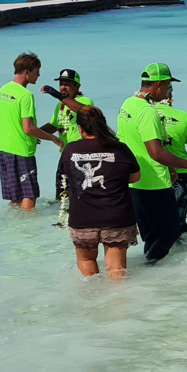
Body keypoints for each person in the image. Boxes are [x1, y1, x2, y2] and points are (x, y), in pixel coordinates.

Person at [118, 62, 187, 264]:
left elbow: (127, 142)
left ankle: (151, 280)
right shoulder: (147, 112)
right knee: (171, 233)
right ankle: (148, 268)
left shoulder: (127, 104)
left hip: (133, 181)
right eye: (167, 86)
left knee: (150, 234)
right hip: (154, 182)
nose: (167, 92)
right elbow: (156, 152)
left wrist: (170, 165)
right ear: (158, 84)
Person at [56, 107, 140, 280]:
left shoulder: (70, 150)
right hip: (116, 216)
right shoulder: (120, 149)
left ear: (80, 128)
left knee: (86, 260)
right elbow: (135, 178)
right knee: (116, 269)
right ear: (103, 124)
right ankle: (118, 303)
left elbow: (66, 175)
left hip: (83, 217)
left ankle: (92, 302)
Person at [0, 52, 63, 211]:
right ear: (27, 71)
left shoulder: (2, 90)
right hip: (22, 151)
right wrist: (54, 139)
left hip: (4, 148)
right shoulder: (25, 95)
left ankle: (14, 226)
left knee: (15, 196)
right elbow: (28, 128)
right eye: (36, 71)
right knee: (30, 194)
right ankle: (28, 231)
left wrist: (33, 135)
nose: (38, 75)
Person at [155, 85, 187, 235]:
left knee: (158, 220)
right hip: (183, 175)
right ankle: (185, 253)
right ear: (170, 97)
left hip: (155, 174)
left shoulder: (145, 115)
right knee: (179, 218)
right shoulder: (183, 116)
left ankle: (159, 255)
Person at [39, 68, 94, 196]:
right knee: (61, 193)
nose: (63, 87)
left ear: (77, 86)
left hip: (81, 157)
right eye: (61, 84)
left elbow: (85, 111)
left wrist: (60, 97)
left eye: (67, 84)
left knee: (77, 194)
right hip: (65, 155)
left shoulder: (85, 101)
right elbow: (53, 126)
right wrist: (34, 133)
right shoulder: (60, 105)